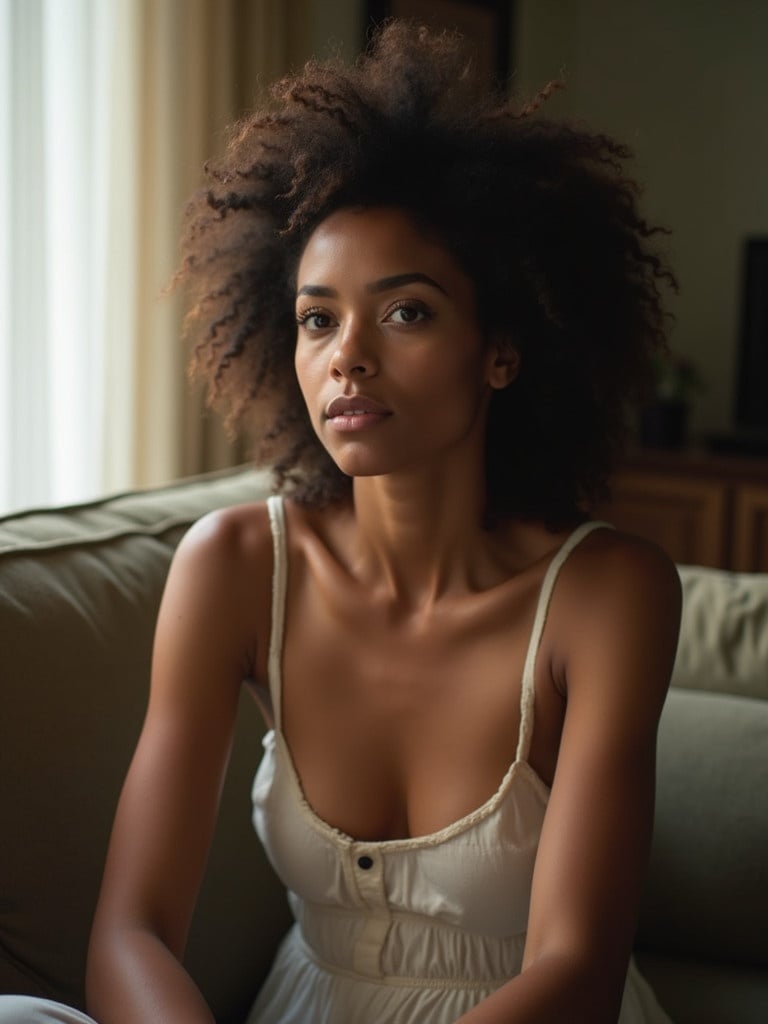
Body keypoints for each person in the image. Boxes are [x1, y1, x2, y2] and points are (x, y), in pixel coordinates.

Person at [1, 20, 682, 1024]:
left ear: (502, 347)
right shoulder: (232, 566)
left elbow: (576, 970)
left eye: (405, 312)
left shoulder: (607, 593)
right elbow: (129, 932)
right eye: (319, 318)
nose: (345, 358)